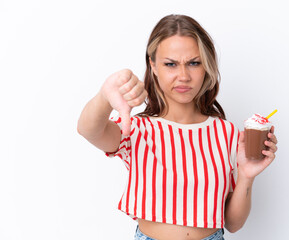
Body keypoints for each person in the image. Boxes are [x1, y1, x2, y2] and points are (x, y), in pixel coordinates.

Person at [77, 14, 278, 240]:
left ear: (206, 66)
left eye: (194, 63)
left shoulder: (226, 133)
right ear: (153, 65)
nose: (183, 76)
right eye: (171, 64)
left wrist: (246, 176)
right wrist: (105, 95)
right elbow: (88, 130)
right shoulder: (137, 130)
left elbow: (233, 223)